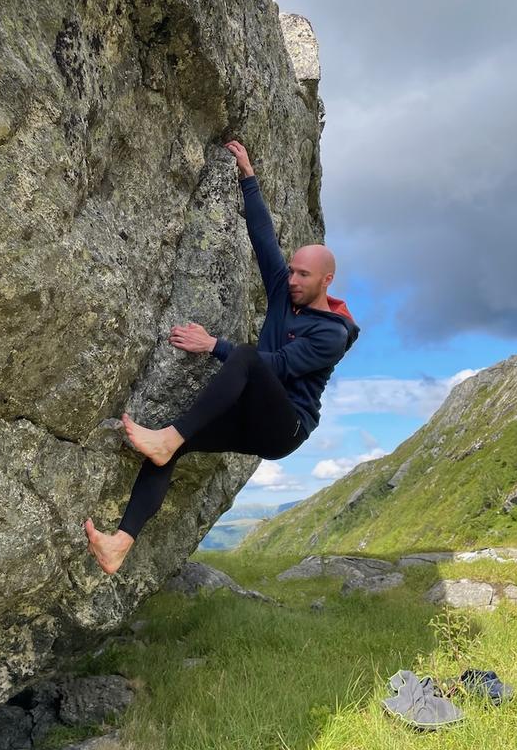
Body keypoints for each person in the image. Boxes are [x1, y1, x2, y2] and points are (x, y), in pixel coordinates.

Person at [84, 140, 360, 573]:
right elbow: (263, 238)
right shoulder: (283, 292)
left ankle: (168, 438)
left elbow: (279, 366)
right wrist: (247, 176)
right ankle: (119, 543)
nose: (291, 279)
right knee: (171, 449)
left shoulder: (332, 334)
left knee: (249, 357)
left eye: (302, 274)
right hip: (255, 413)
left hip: (286, 427)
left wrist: (214, 345)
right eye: (291, 270)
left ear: (327, 280)